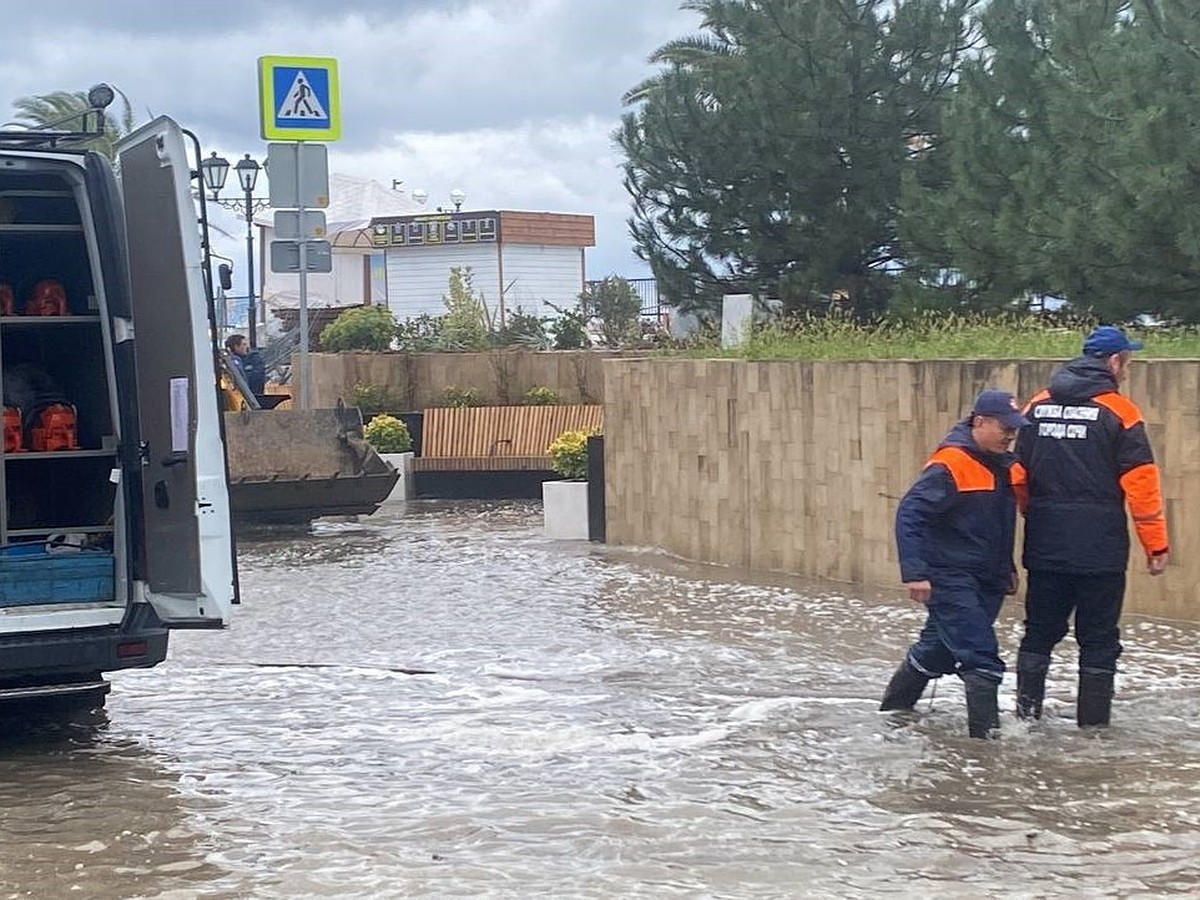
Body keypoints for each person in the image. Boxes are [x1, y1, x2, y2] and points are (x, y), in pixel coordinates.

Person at [1015, 325, 1168, 727]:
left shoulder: (1036, 406)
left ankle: (1025, 721)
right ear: (1114, 362)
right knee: (1098, 641)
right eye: (1127, 362)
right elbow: (1142, 485)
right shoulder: (1121, 412)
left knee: (1038, 635)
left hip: (1045, 544)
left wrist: (1036, 514)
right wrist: (1156, 546)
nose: (1127, 370)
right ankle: (1093, 734)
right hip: (1100, 551)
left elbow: (1018, 473)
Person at [881, 389, 1029, 739]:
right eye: (1004, 428)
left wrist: (1006, 568)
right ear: (980, 422)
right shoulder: (950, 465)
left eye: (1014, 429)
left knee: (937, 651)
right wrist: (915, 573)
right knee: (982, 658)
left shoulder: (1002, 465)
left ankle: (892, 713)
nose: (1010, 435)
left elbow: (995, 525)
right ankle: (986, 747)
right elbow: (910, 515)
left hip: (986, 577)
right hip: (949, 577)